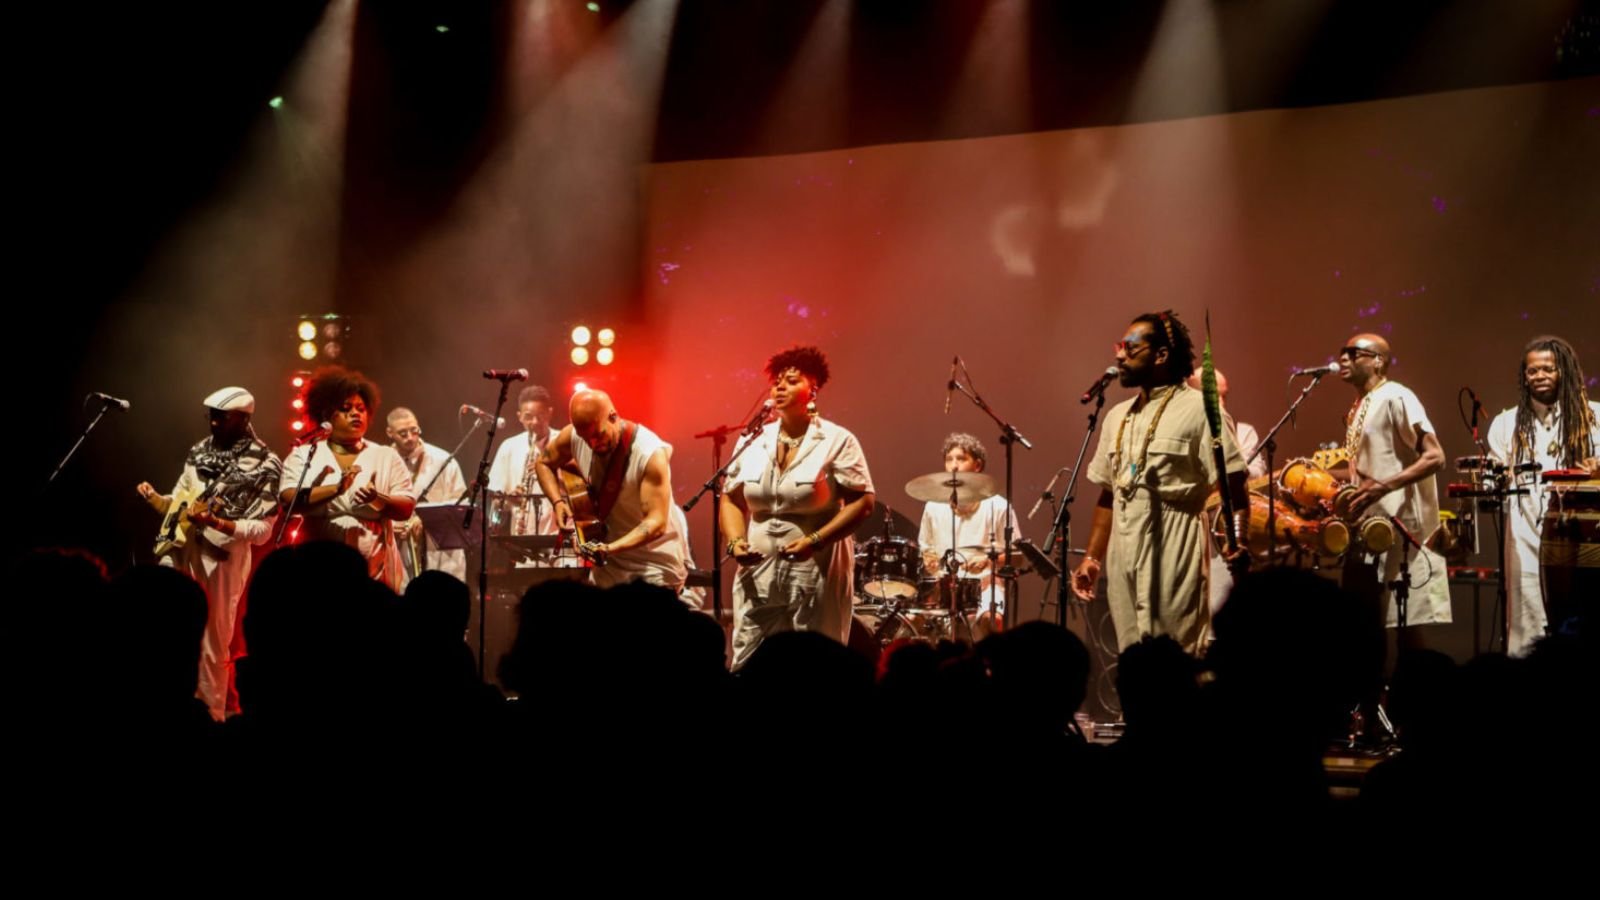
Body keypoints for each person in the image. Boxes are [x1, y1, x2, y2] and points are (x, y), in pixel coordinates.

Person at [1071, 311, 1248, 655]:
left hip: (1175, 540)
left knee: (1174, 653)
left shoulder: (1200, 409)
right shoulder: (1116, 416)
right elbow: (1108, 493)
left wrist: (1237, 540)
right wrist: (1092, 557)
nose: (1119, 356)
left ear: (1161, 354)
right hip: (1123, 547)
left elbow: (1234, 483)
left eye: (1130, 348)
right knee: (1131, 654)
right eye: (1119, 347)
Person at [719, 345, 876, 669]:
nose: (780, 387)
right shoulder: (752, 440)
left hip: (815, 569)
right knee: (748, 658)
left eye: (791, 381)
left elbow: (863, 502)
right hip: (758, 572)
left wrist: (815, 540)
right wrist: (735, 542)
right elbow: (731, 498)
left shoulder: (837, 440)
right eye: (777, 381)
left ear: (812, 390)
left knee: (815, 662)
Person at [136, 386, 281, 721]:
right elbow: (179, 500)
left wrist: (217, 522)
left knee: (213, 641)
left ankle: (212, 715)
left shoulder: (265, 462)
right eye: (211, 416)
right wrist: (156, 498)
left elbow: (262, 531)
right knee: (170, 630)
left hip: (221, 558)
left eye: (222, 417)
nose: (213, 423)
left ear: (243, 419)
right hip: (181, 550)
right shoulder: (199, 451)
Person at [1485, 335, 1599, 655]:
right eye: (1532, 371)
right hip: (1524, 530)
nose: (1539, 376)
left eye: (1548, 369)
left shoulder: (1594, 416)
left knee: (1581, 615)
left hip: (1582, 534)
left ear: (1564, 371)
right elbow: (1493, 475)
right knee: (1527, 616)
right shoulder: (1506, 423)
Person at [1336, 333, 1450, 635]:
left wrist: (1382, 487)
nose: (1343, 358)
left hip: (1401, 528)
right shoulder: (1359, 405)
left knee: (1405, 623)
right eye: (1342, 352)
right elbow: (1368, 471)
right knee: (1365, 624)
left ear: (1378, 361)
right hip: (1368, 528)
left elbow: (1435, 457)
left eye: (1353, 353)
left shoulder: (1397, 396)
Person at [532, 389, 688, 592]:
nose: (592, 444)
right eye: (585, 438)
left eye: (598, 435)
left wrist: (609, 548)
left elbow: (656, 523)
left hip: (654, 567)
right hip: (607, 567)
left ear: (613, 417)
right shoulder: (574, 436)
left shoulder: (649, 453)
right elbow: (543, 463)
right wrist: (557, 502)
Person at [278, 366, 416, 590]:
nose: (355, 414)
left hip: (375, 569)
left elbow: (406, 508)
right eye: (345, 408)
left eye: (361, 409)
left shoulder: (385, 455)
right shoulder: (305, 454)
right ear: (325, 415)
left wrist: (376, 499)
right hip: (318, 567)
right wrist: (336, 489)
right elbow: (288, 500)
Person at [917, 432, 1020, 637]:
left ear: (978, 465)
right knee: (914, 621)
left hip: (985, 585)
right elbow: (925, 549)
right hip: (943, 585)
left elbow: (1017, 556)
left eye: (961, 459)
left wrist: (989, 562)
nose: (953, 466)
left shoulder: (999, 506)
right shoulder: (933, 506)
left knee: (991, 620)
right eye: (949, 459)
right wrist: (929, 560)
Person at [385, 407, 468, 584]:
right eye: (403, 433)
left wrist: (427, 518)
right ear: (389, 433)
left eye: (414, 430)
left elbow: (461, 503)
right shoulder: (383, 460)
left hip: (438, 553)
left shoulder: (443, 460)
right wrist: (390, 523)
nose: (410, 437)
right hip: (398, 549)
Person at [488, 384, 560, 537]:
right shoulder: (509, 447)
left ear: (550, 413)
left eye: (540, 415)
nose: (535, 422)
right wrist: (509, 500)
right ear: (519, 416)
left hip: (560, 534)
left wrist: (550, 473)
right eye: (528, 417)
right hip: (522, 536)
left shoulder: (563, 442)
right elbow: (496, 503)